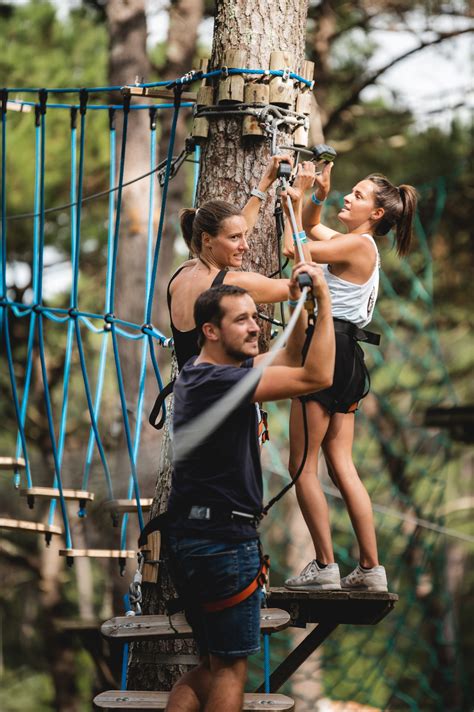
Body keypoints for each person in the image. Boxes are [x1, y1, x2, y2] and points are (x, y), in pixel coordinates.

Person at [164, 260, 335, 712]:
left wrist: (301, 307)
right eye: (241, 320)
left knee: (207, 668)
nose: (255, 328)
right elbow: (317, 377)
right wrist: (326, 301)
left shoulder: (204, 375)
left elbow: (291, 358)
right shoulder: (223, 381)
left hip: (193, 540)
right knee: (230, 670)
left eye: (255, 317)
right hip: (222, 542)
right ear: (210, 331)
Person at [282, 162, 418, 593]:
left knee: (303, 466)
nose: (348, 196)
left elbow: (292, 246)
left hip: (325, 348)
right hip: (349, 354)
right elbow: (311, 228)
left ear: (376, 214)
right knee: (341, 465)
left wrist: (297, 192)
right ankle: (370, 568)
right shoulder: (356, 245)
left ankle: (324, 566)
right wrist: (316, 197)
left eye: (357, 195)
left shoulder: (357, 247)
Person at [168, 156, 295, 371]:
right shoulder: (230, 285)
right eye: (236, 238)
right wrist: (295, 211)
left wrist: (265, 182)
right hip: (221, 393)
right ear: (207, 240)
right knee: (297, 359)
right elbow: (303, 285)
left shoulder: (183, 272)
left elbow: (231, 229)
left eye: (243, 236)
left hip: (190, 395)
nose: (245, 246)